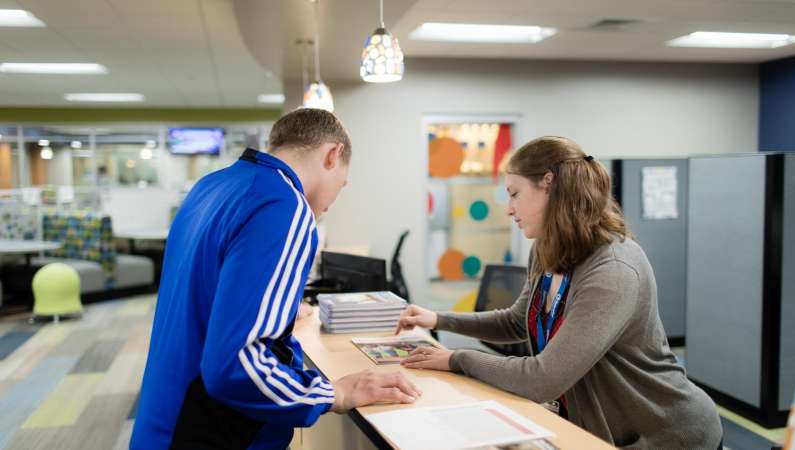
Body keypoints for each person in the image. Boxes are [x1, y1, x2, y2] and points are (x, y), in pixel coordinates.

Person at [396, 136, 723, 449]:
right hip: (602, 429)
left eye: (514, 194)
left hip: (667, 435)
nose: (509, 209)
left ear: (548, 185)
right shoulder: (547, 249)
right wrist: (438, 319)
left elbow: (543, 379)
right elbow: (517, 322)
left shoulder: (613, 269)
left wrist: (456, 359)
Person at [131, 108, 421, 450]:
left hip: (162, 418)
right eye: (342, 185)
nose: (332, 203)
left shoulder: (211, 187)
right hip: (207, 431)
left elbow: (206, 296)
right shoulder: (284, 205)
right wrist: (334, 393)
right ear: (333, 154)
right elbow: (236, 363)